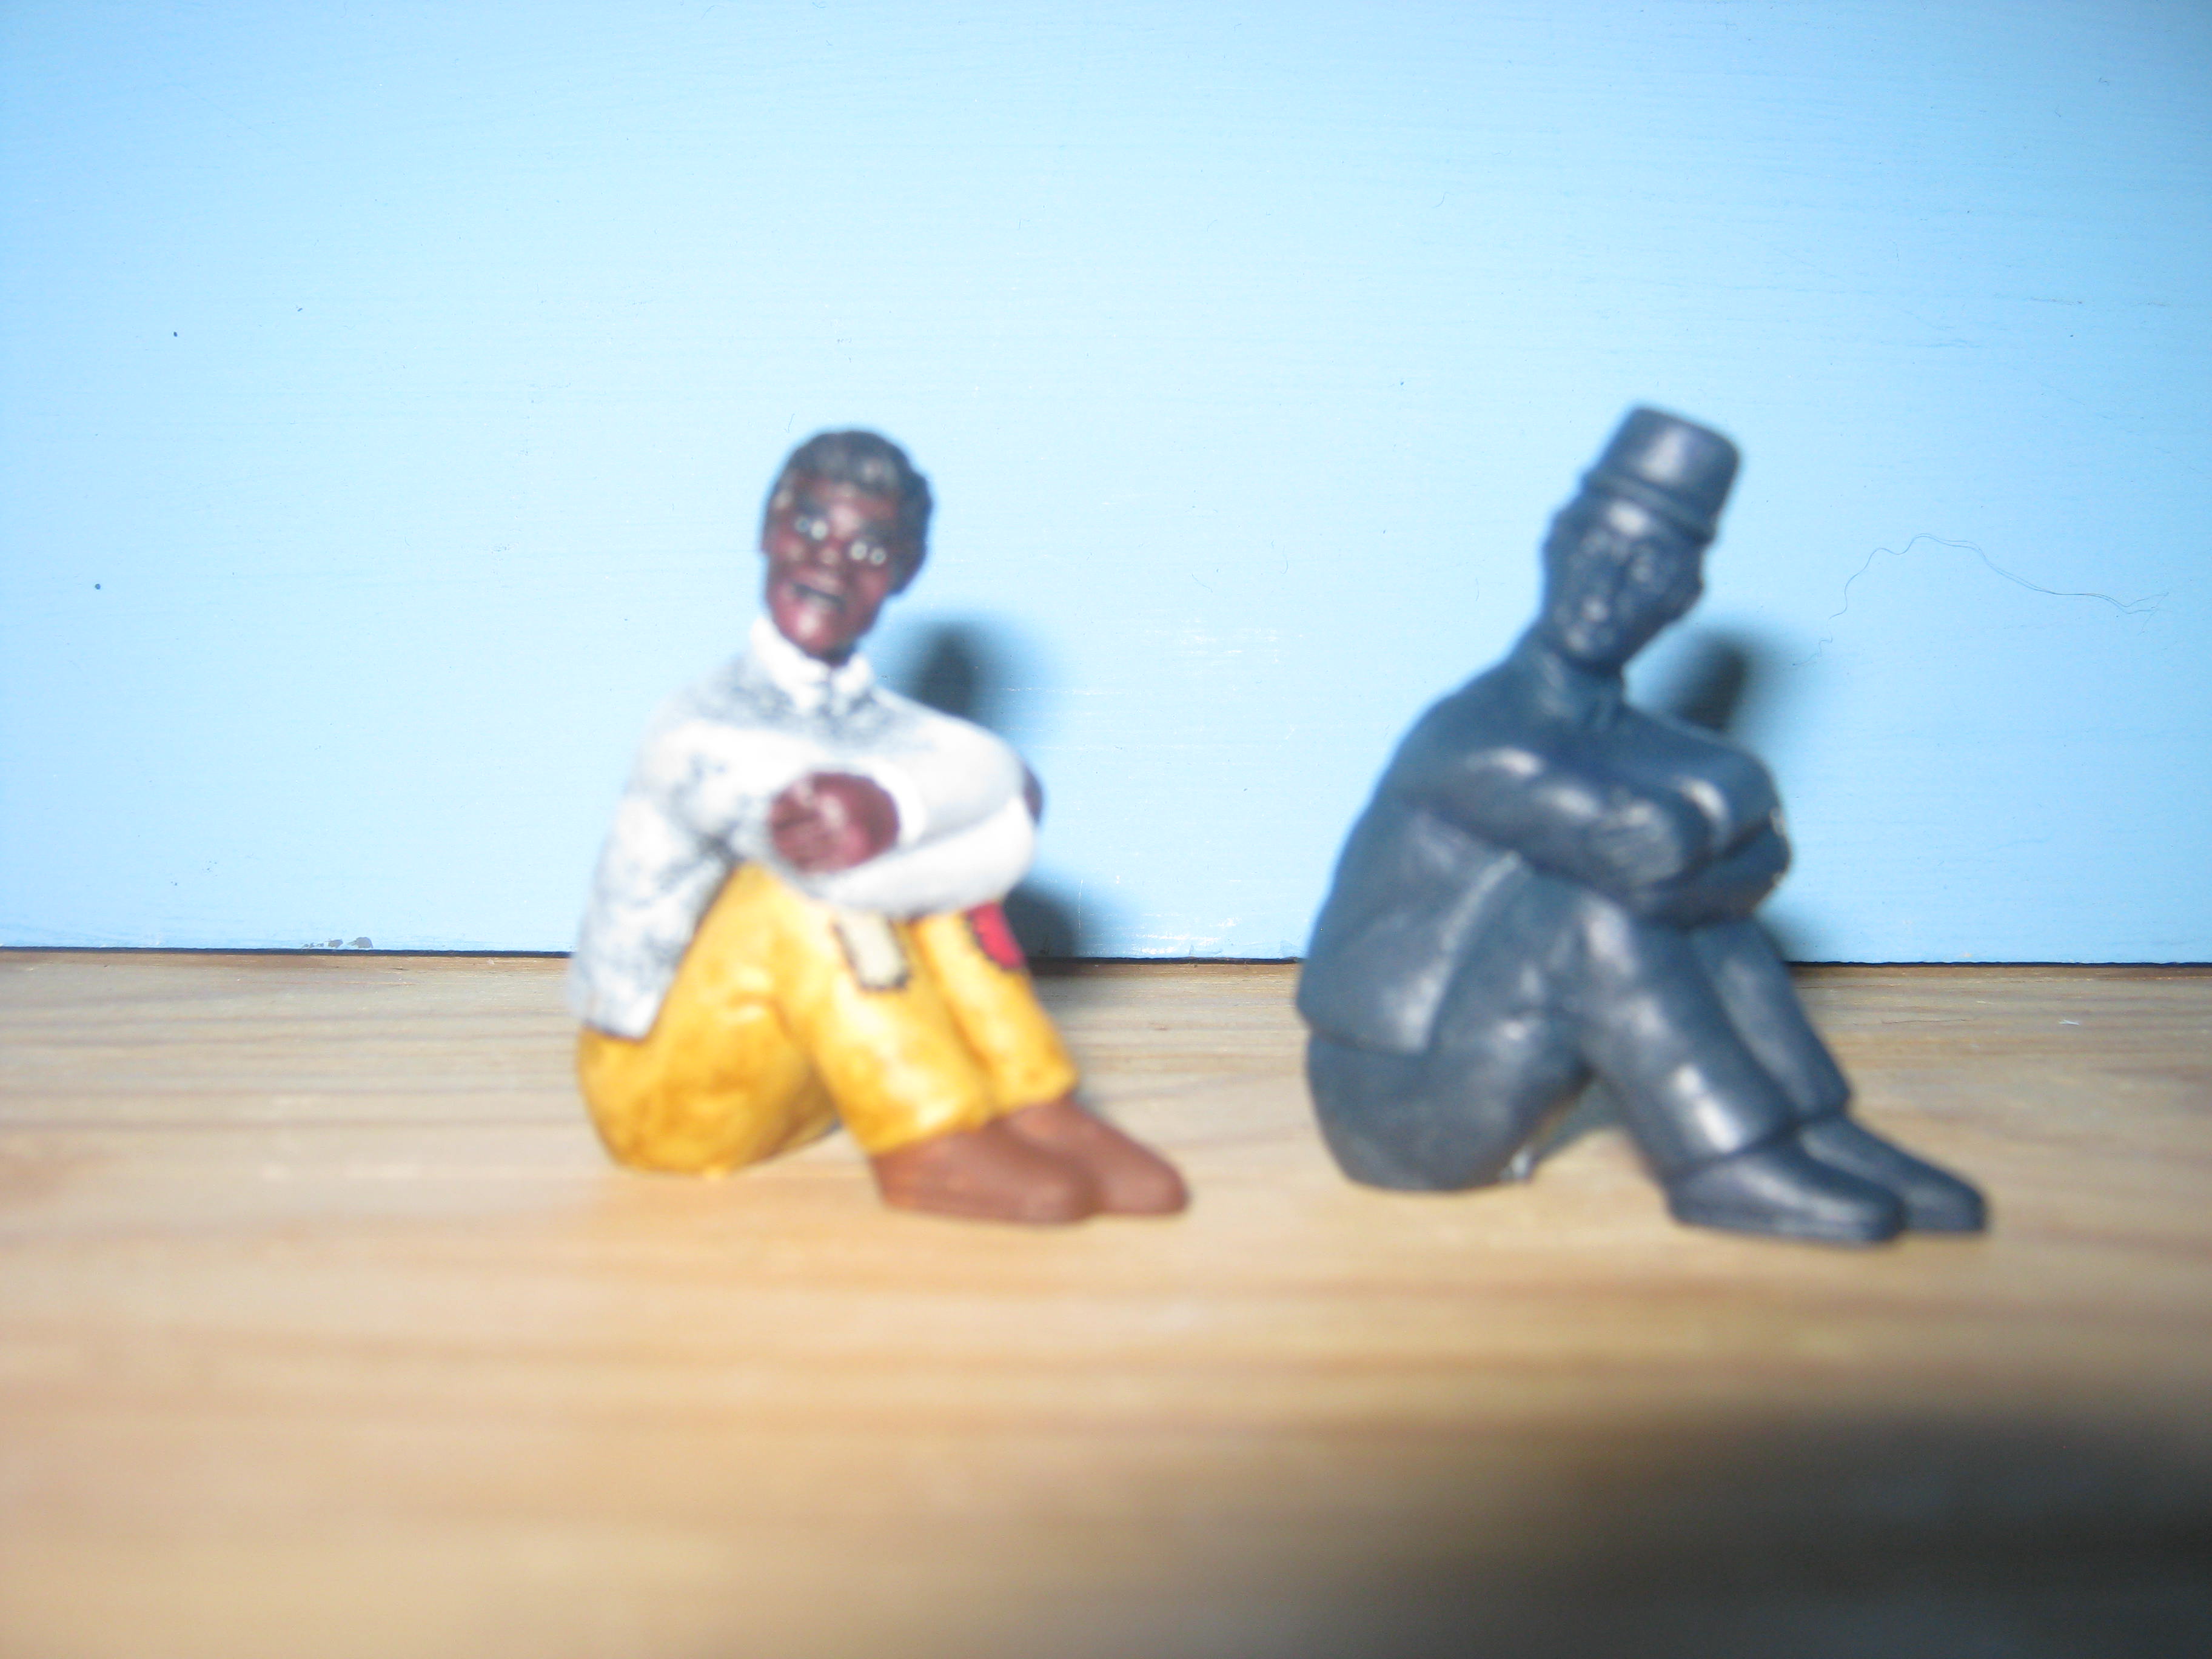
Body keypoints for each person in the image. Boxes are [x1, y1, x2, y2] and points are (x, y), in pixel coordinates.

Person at [1297, 409, 1984, 1244]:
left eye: (1646, 567)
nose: (1606, 586)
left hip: (1484, 1054)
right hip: (1398, 1103)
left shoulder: (1630, 738)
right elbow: (1638, 869)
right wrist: (1720, 821)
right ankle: (1724, 1157)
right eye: (1594, 549)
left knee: (1712, 920)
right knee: (1592, 915)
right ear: (1555, 546)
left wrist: (1714, 815)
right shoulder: (1475, 735)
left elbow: (1755, 845)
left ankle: (1811, 1129)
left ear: (1681, 599)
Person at [569, 431, 1186, 1224]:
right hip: (663, 1096)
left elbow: (1000, 775)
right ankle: (923, 1138)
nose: (830, 562)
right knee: (800, 893)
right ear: (768, 531)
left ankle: (1031, 1103)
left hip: (807, 1086)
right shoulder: (698, 727)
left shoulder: (880, 724)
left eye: (868, 549)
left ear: (903, 572)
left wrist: (904, 808)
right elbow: (856, 858)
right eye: (810, 528)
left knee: (928, 889)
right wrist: (971, 822)